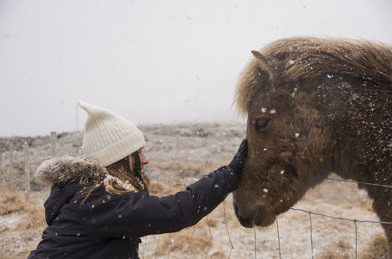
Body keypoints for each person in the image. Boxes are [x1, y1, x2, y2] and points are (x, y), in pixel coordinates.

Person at [28, 100, 248, 259]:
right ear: (120, 159)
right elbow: (175, 212)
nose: (146, 160)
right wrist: (230, 173)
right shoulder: (96, 201)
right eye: (138, 153)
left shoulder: (87, 196)